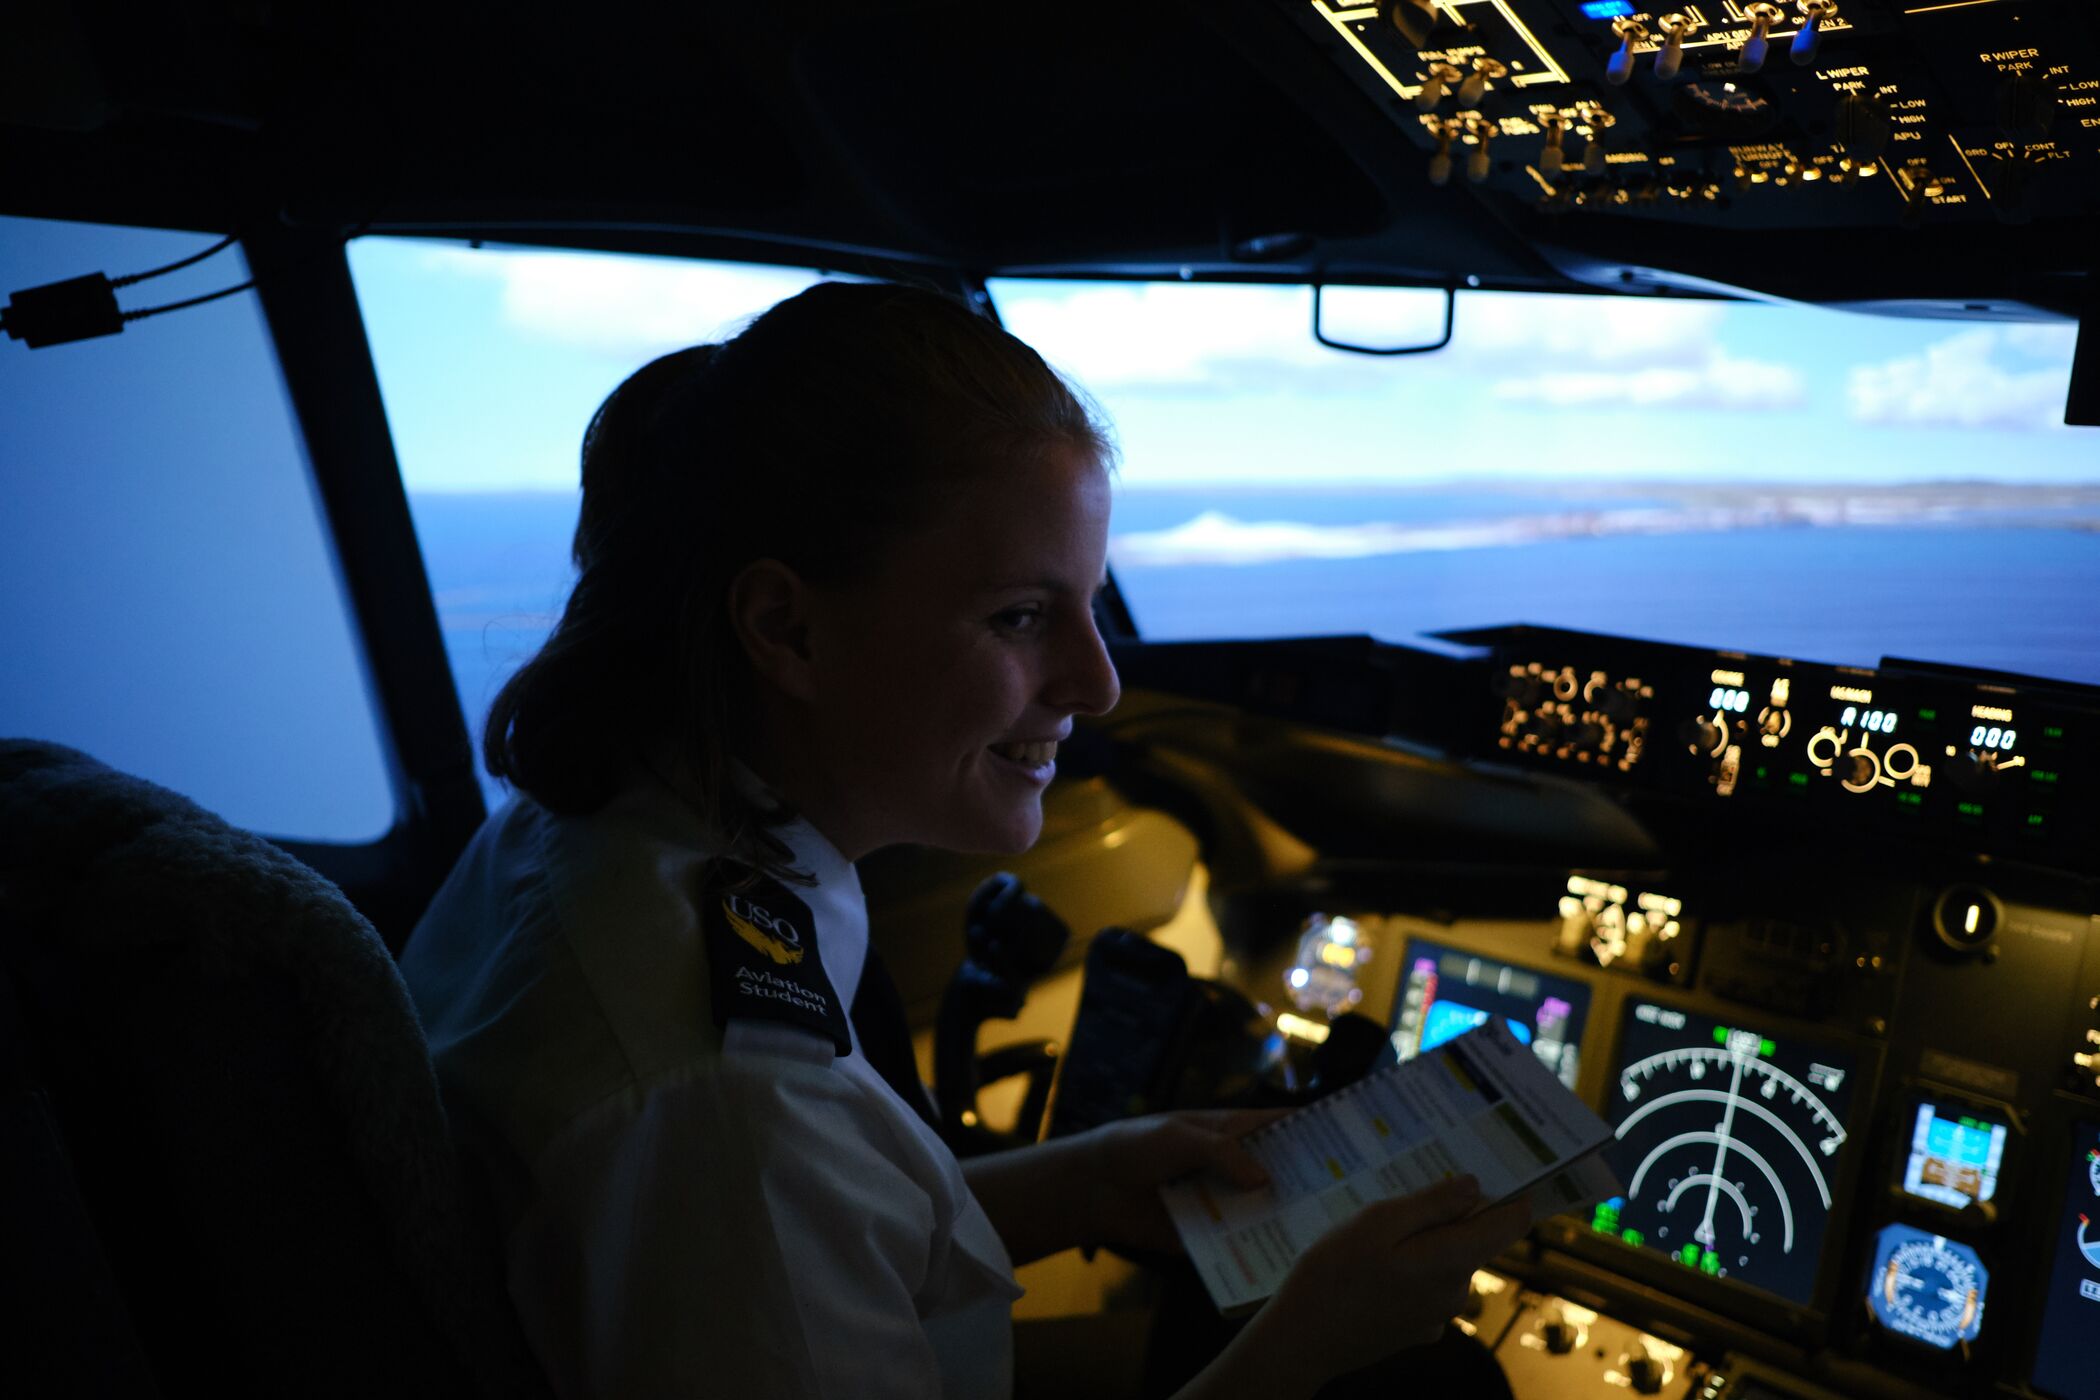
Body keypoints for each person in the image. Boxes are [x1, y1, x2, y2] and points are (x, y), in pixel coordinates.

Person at [400, 281, 1529, 1399]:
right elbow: (764, 1201)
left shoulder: (591, 822)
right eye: (1021, 616)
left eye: (1088, 604)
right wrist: (1304, 1348)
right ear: (786, 628)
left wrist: (1087, 1182)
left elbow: (817, 1242)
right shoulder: (727, 1111)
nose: (1098, 682)